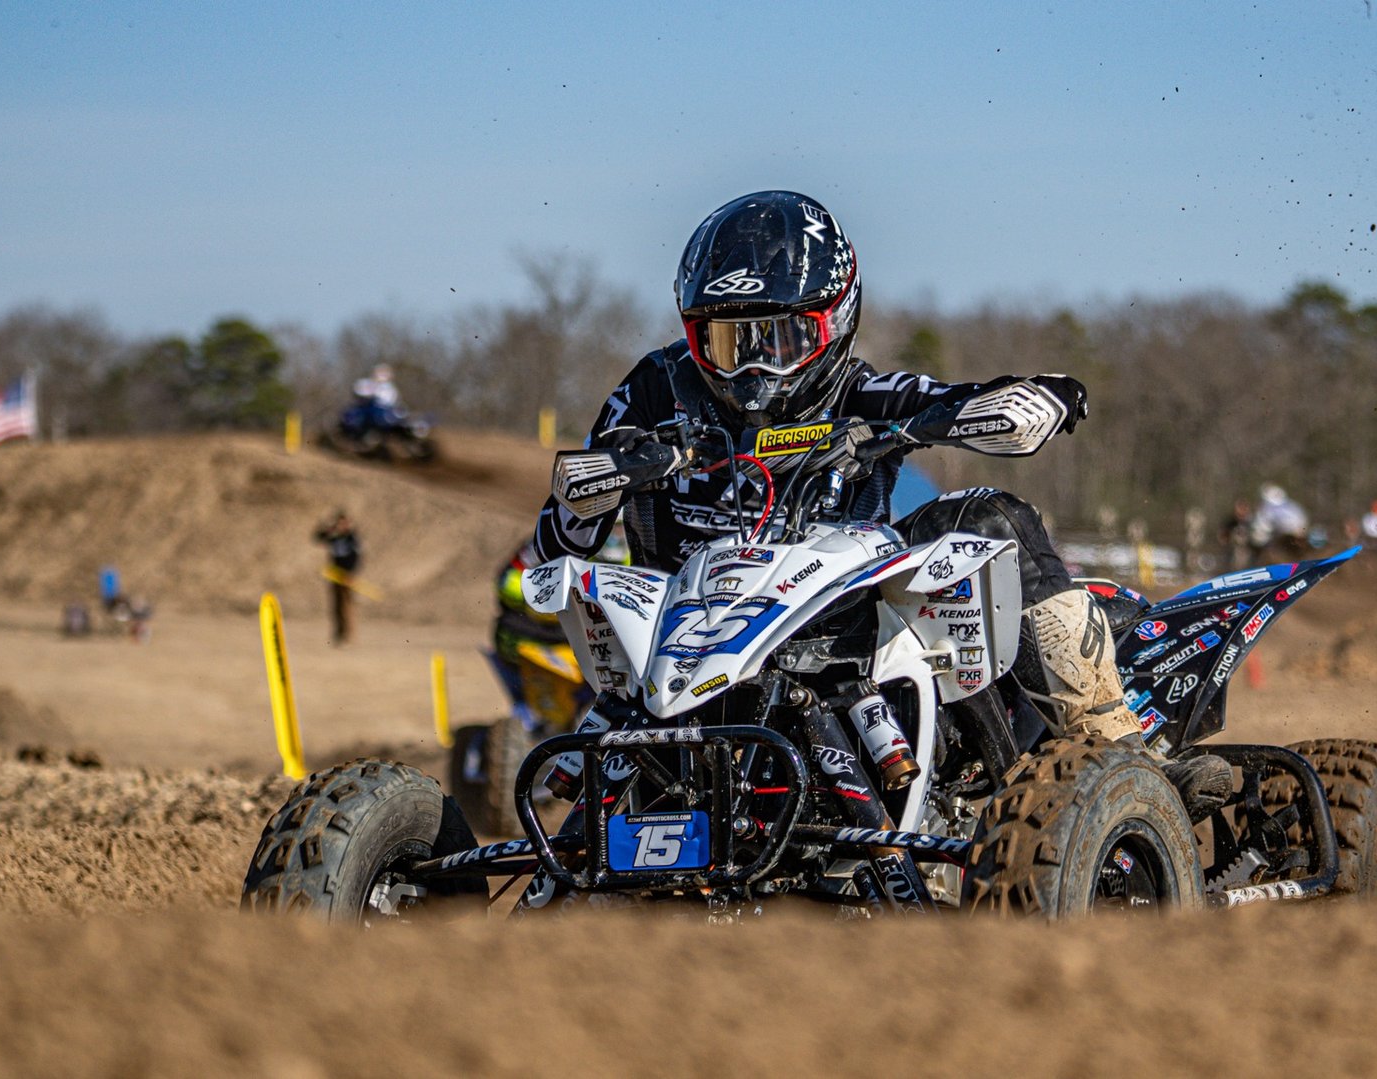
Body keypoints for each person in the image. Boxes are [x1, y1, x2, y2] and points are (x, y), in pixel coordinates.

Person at [526, 190, 1231, 818]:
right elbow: (558, 546)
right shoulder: (654, 390)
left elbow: (948, 400)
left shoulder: (861, 393)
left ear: (834, 320)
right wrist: (609, 478)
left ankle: (1122, 758)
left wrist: (1032, 395)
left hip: (844, 641)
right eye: (727, 340)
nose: (752, 367)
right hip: (688, 659)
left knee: (987, 517)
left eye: (780, 338)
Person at [314, 511, 361, 645]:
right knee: (336, 606)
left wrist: (350, 574)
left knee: (346, 606)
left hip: (347, 576)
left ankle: (348, 635)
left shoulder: (351, 538)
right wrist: (330, 529)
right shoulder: (335, 538)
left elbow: (356, 558)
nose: (341, 526)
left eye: (343, 523)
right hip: (335, 576)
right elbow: (318, 538)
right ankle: (339, 634)